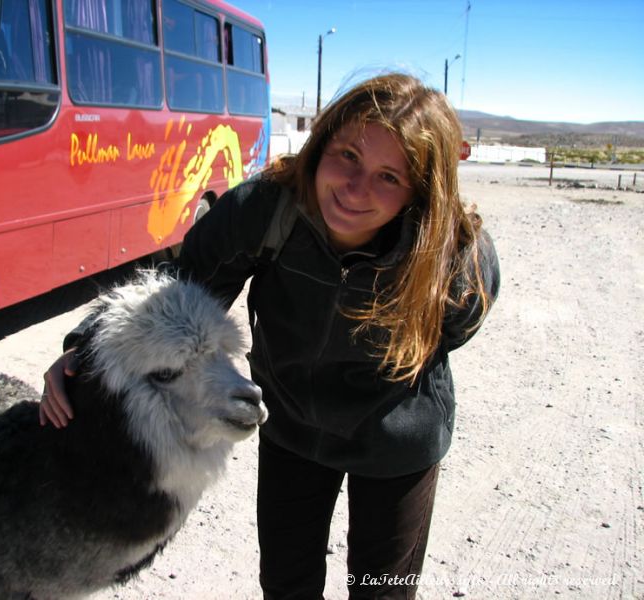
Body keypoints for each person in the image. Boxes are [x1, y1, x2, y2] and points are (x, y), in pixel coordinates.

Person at [40, 72, 500, 599]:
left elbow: (456, 328)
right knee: (286, 583)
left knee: (383, 590)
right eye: (348, 155)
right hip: (292, 430)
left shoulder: (455, 258)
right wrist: (86, 349)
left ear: (420, 191)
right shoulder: (267, 208)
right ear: (322, 140)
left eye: (389, 177)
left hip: (395, 442)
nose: (355, 190)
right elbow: (175, 291)